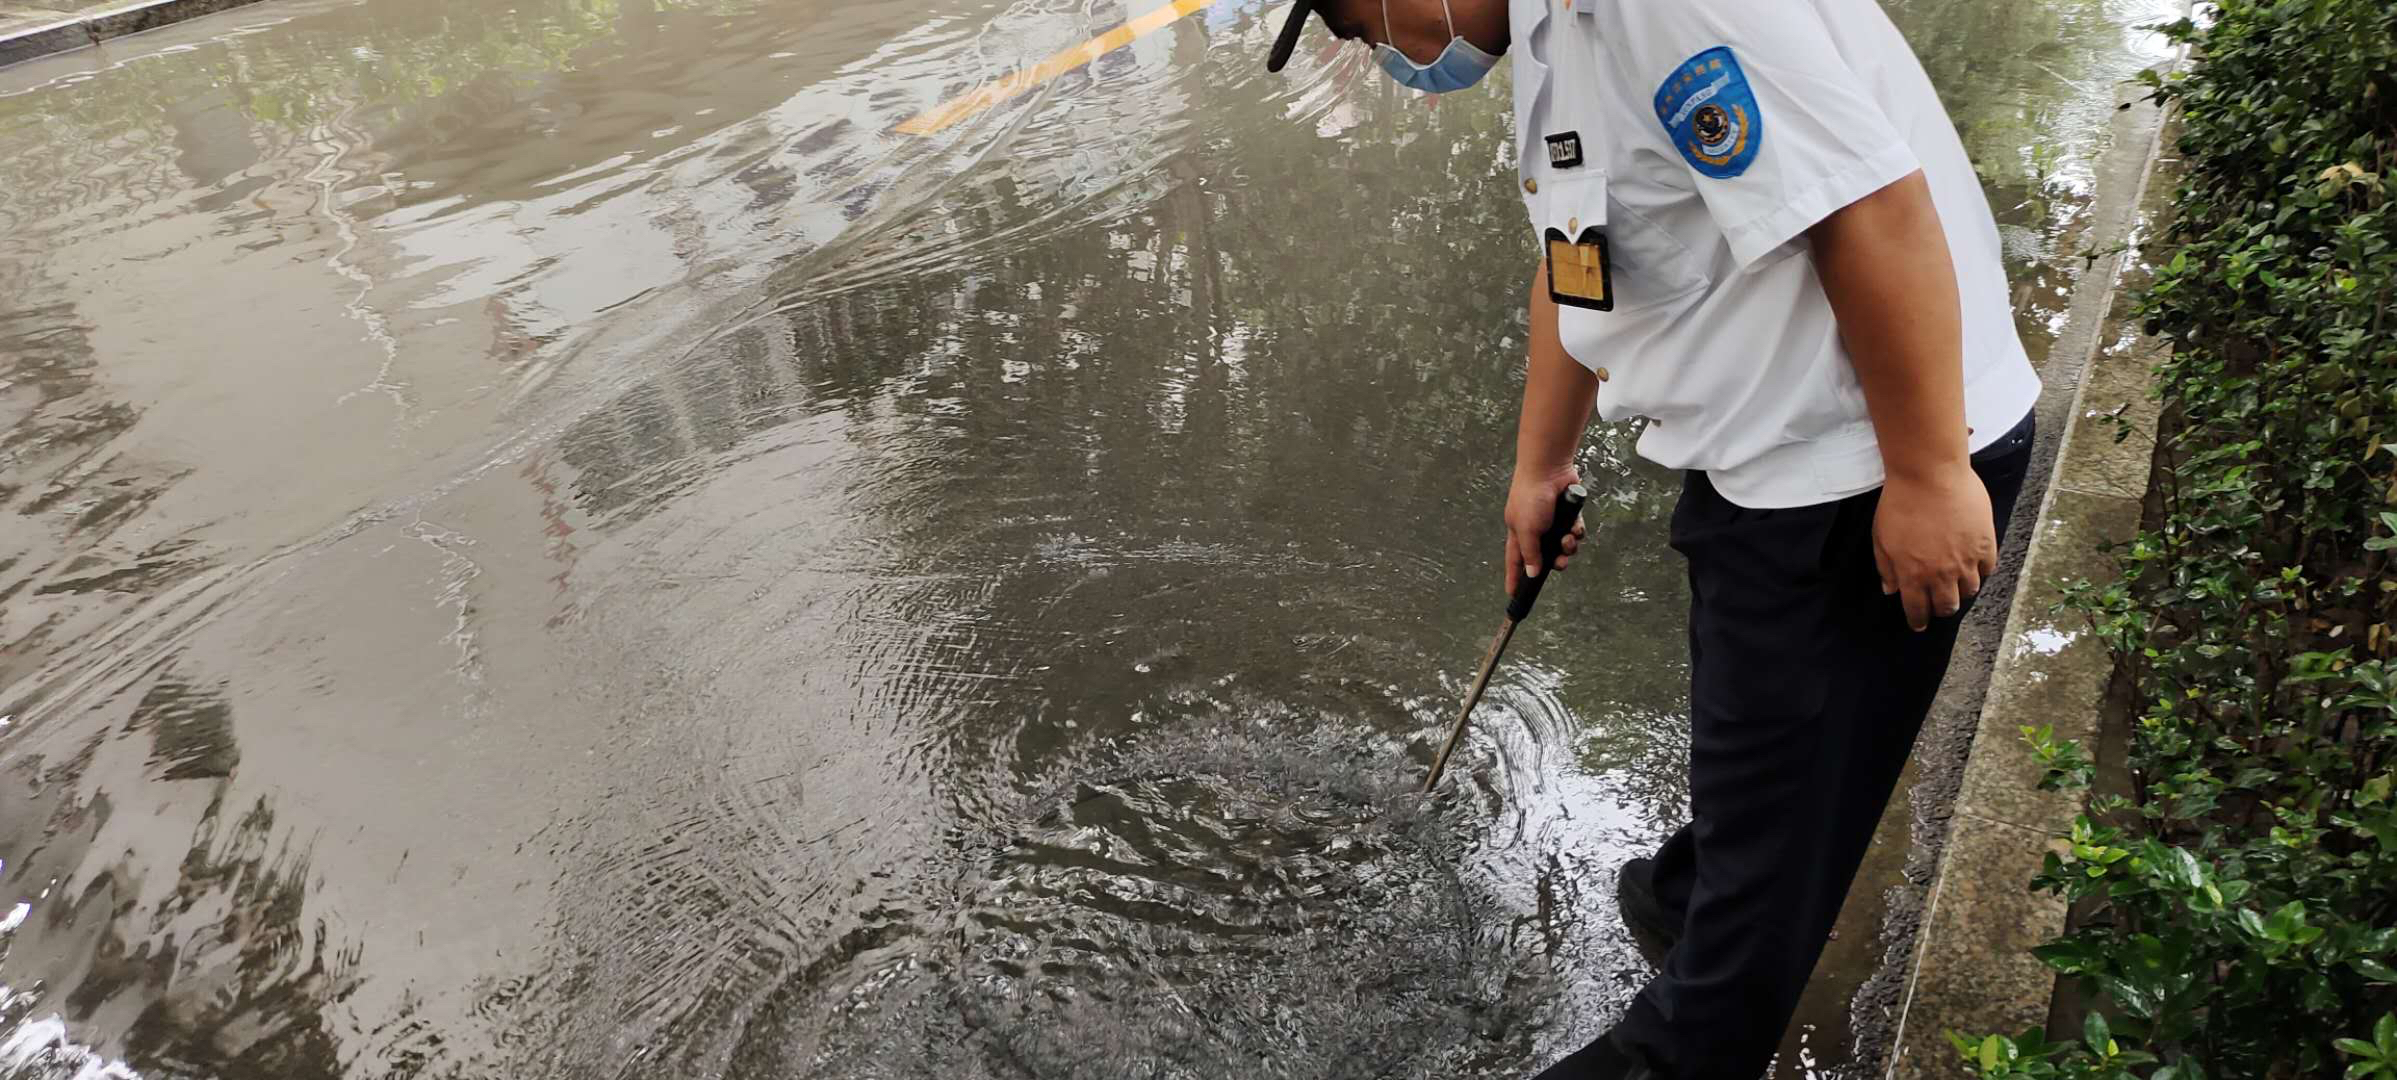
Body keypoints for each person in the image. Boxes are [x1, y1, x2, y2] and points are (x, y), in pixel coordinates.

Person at [1265, 0, 2042, 1076]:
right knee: (1768, 764)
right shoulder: (1552, 38)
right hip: (1764, 467)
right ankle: (1684, 895)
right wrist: (1539, 466)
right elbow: (1579, 254)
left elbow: (1866, 205)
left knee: (1746, 945)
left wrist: (1924, 472)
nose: (1382, 53)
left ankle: (1692, 1014)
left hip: (1855, 477)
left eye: (1356, 25)